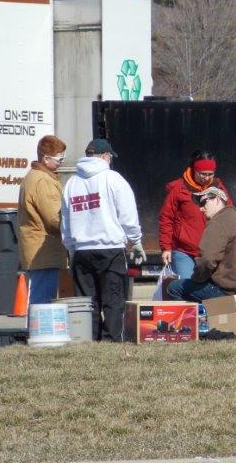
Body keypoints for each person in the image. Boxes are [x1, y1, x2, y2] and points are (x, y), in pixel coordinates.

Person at [61, 138, 146, 341]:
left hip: (82, 250)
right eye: (110, 157)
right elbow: (127, 214)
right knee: (113, 299)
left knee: (88, 301)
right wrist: (135, 240)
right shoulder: (113, 179)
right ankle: (111, 340)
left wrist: (71, 248)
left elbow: (65, 220)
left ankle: (89, 338)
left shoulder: (72, 183)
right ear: (105, 156)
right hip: (110, 248)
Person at [167, 186, 236, 303]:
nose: (201, 208)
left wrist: (197, 278)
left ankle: (198, 315)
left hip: (229, 292)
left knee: (174, 288)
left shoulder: (218, 222)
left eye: (204, 203)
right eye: (199, 205)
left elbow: (207, 260)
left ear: (218, 199)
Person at [158, 150, 233, 279]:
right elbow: (166, 218)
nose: (207, 178)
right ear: (194, 170)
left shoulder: (218, 188)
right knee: (185, 285)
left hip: (212, 250)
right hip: (184, 250)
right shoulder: (178, 189)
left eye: (210, 174)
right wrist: (166, 248)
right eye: (203, 174)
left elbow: (229, 213)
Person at [17, 135, 69, 305]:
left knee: (39, 298)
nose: (61, 163)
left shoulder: (34, 176)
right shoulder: (43, 180)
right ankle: (37, 324)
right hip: (44, 250)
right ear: (46, 159)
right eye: (59, 159)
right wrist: (72, 230)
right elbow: (54, 218)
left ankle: (34, 322)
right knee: (43, 302)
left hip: (37, 248)